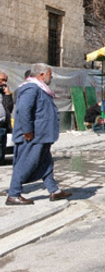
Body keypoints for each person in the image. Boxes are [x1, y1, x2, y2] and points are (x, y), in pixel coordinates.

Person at [6, 63, 72, 205]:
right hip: (32, 136)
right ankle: (13, 194)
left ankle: (54, 191)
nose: (51, 77)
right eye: (49, 74)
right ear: (41, 75)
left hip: (41, 136)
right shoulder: (31, 88)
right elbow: (24, 109)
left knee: (46, 164)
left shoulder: (40, 88)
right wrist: (27, 130)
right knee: (25, 163)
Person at [1, 71, 13, 166]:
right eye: (2, 80)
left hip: (2, 125)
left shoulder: (3, 92)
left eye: (5, 80)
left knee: (1, 149)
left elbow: (9, 108)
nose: (4, 83)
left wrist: (8, 95)